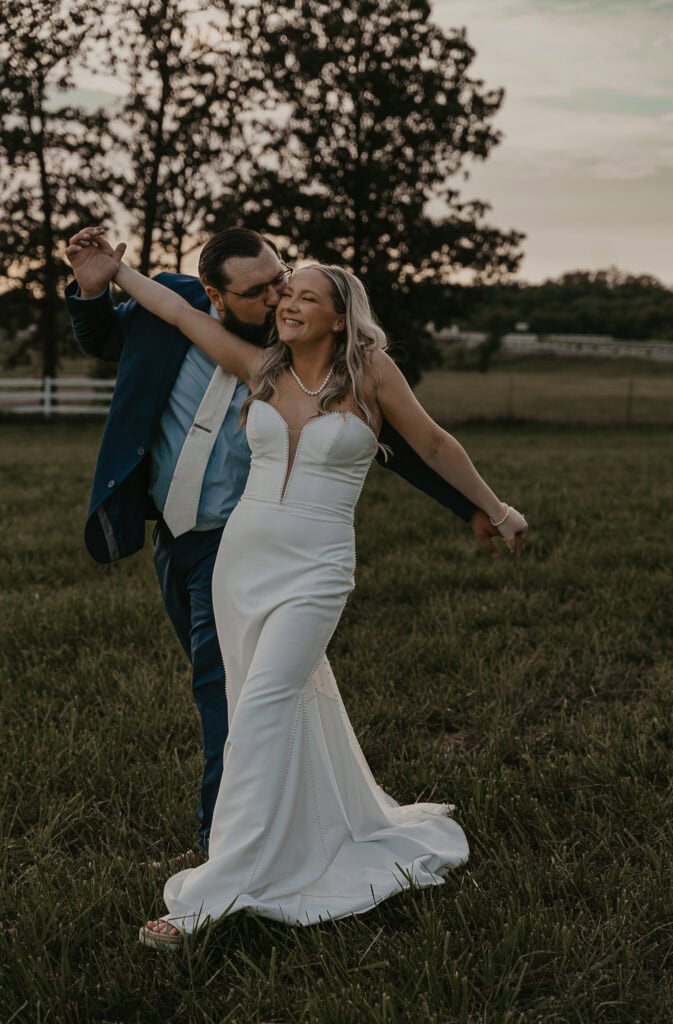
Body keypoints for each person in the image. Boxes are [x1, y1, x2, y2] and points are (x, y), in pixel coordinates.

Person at [68, 228, 528, 948]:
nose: (284, 300)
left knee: (260, 704)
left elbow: (429, 444)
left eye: (300, 293)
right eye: (276, 292)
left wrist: (491, 507)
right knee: (249, 696)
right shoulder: (260, 367)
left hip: (315, 566)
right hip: (236, 561)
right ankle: (278, 833)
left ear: (339, 315)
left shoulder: (369, 371)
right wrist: (113, 272)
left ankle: (216, 888)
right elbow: (174, 311)